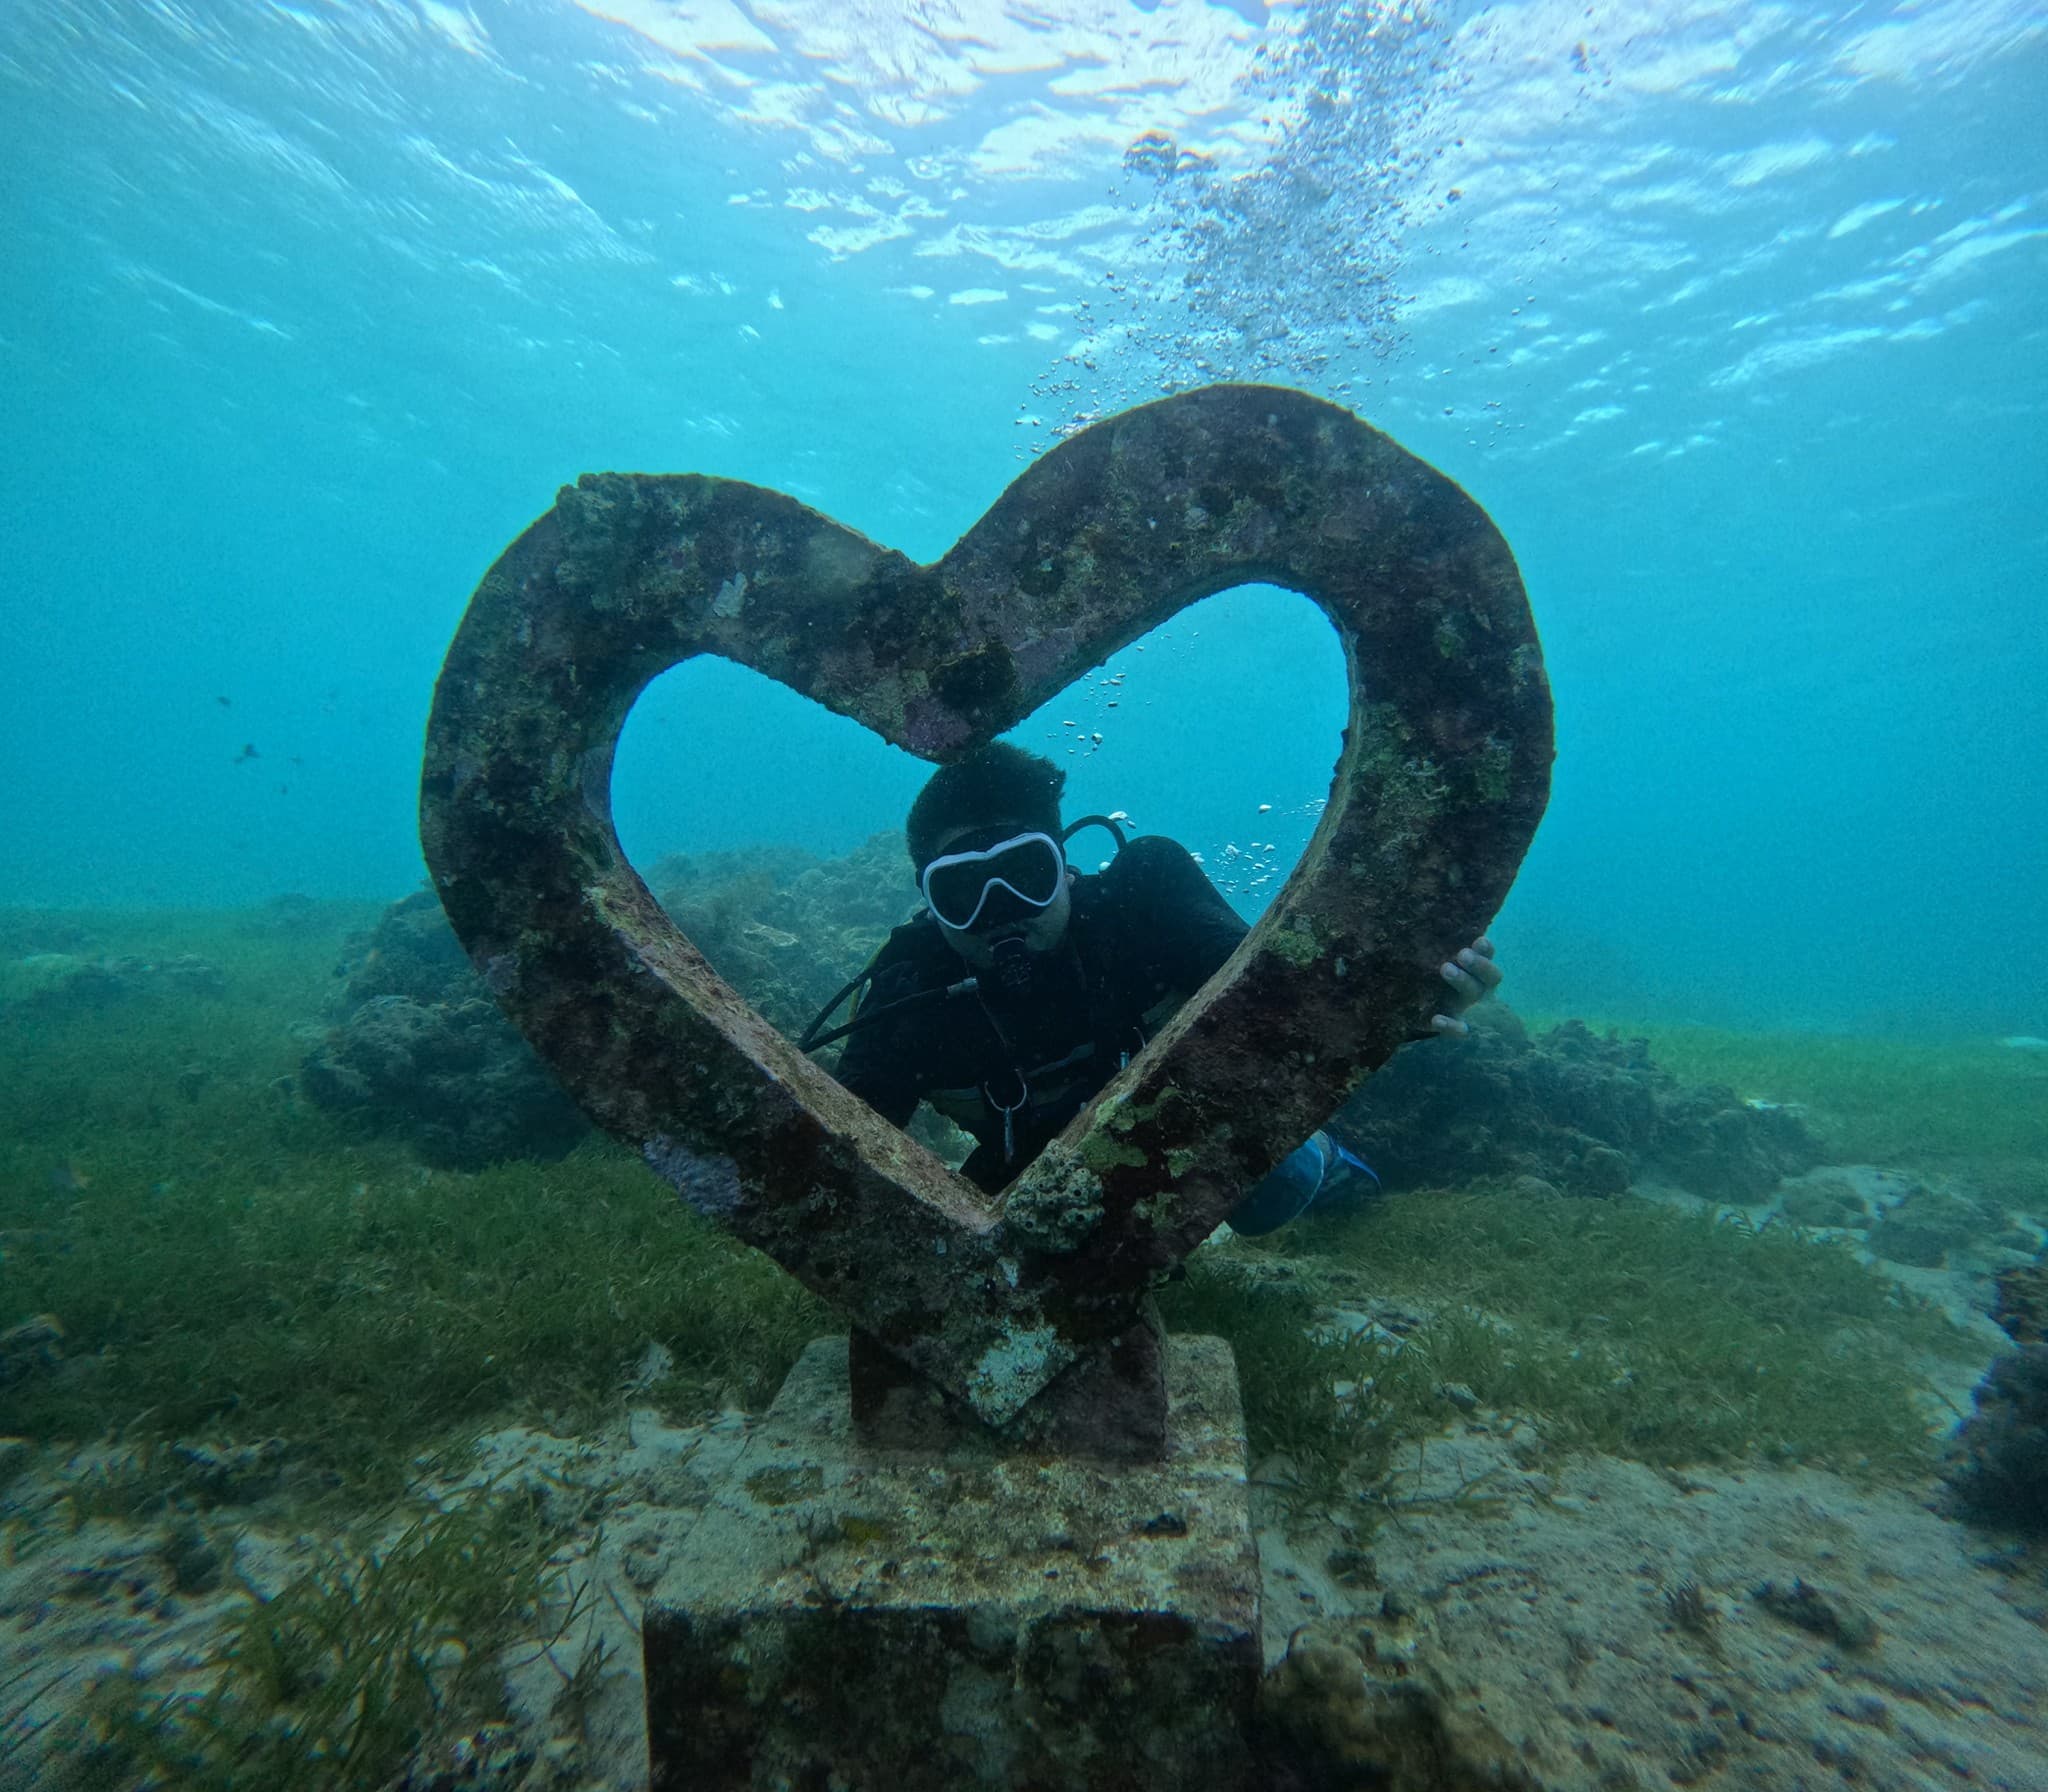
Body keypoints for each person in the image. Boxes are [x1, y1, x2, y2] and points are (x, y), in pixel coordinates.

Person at [822, 744, 1501, 1234]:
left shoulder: (1142, 899)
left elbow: (1287, 993)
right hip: (1026, 1170)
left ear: (1066, 868)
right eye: (963, 891)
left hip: (1186, 1133)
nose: (1000, 911)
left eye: (1024, 873)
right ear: (927, 903)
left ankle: (1325, 1163)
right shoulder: (907, 988)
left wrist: (1404, 998)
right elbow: (840, 1152)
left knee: (1276, 1192)